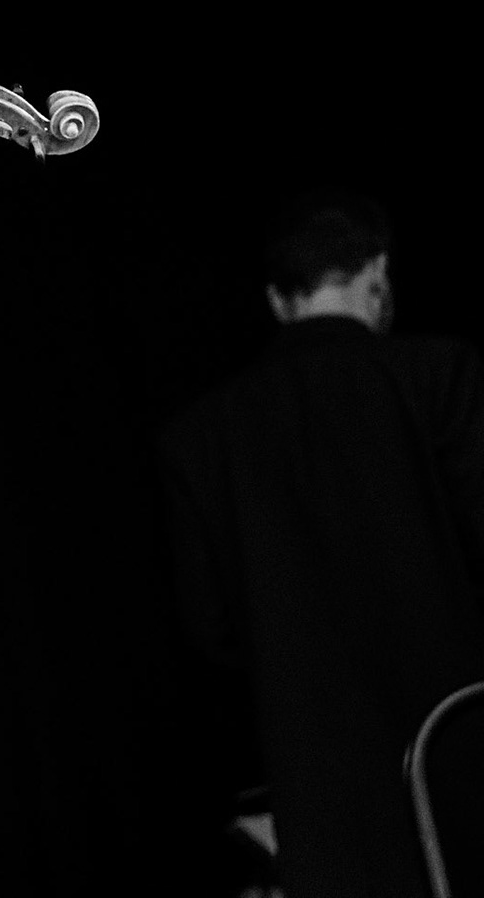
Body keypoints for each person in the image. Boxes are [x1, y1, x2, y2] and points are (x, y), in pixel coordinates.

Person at [158, 190, 484, 897]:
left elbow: (207, 630)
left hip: (319, 794)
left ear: (280, 301)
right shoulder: (439, 375)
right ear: (378, 275)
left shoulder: (200, 440)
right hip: (465, 752)